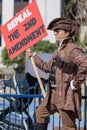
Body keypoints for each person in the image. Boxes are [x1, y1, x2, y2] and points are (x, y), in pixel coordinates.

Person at [26, 18, 87, 130]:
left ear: (67, 33)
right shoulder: (57, 52)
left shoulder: (73, 49)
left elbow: (85, 64)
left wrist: (76, 83)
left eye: (58, 30)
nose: (55, 33)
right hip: (53, 95)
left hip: (66, 95)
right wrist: (34, 56)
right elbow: (46, 67)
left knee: (68, 127)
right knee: (41, 113)